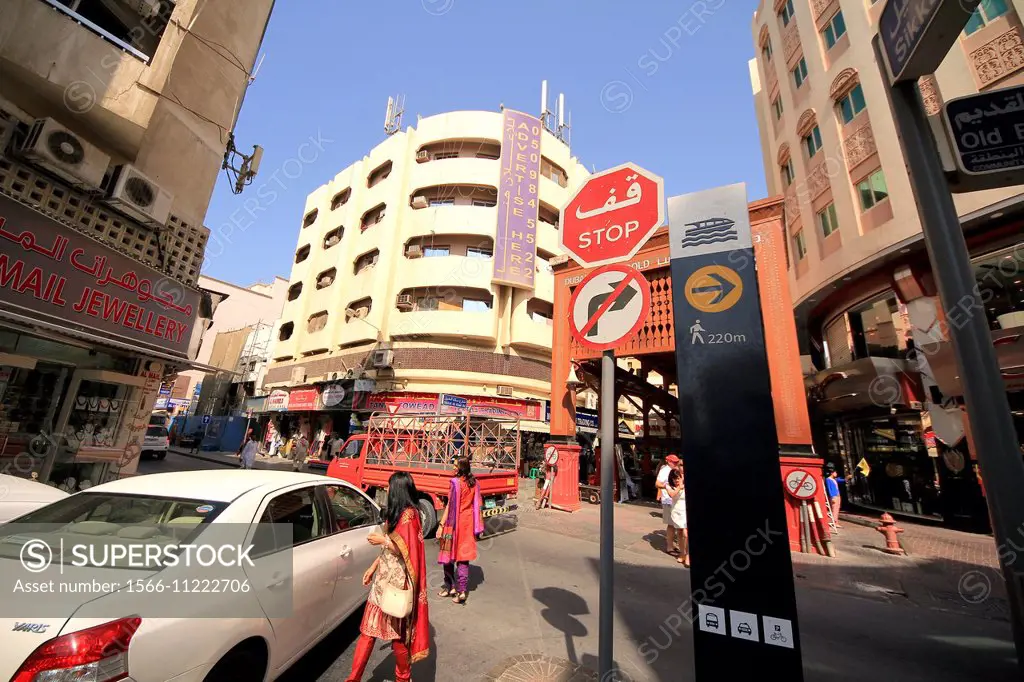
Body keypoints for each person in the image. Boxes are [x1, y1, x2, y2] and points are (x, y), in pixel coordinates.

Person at [346, 472, 430, 681]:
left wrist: (382, 540)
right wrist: (373, 567)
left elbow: (407, 549)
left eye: (390, 486)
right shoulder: (397, 512)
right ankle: (353, 678)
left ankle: (403, 677)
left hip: (396, 584)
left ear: (399, 490)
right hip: (382, 580)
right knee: (367, 631)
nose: (387, 489)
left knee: (397, 638)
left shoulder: (410, 515)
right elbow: (389, 549)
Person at [437, 457, 484, 605]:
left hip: (453, 523)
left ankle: (449, 586)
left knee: (448, 556)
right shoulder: (474, 483)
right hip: (467, 523)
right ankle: (461, 591)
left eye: (455, 465)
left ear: (461, 468)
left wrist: (441, 525)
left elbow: (450, 505)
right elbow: (478, 505)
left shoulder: (455, 483)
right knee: (463, 558)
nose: (453, 466)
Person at [656, 454, 682, 555]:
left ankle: (674, 545)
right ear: (668, 461)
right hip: (668, 499)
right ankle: (670, 546)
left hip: (676, 499)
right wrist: (668, 486)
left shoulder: (675, 470)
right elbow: (657, 483)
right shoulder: (664, 470)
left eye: (676, 462)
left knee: (677, 524)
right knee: (671, 524)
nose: (675, 463)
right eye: (673, 462)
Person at [666, 467, 689, 567]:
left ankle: (688, 556)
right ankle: (682, 554)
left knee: (686, 533)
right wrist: (680, 487)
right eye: (674, 478)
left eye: (678, 478)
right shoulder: (669, 486)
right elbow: (672, 494)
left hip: (685, 512)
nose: (676, 480)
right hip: (676, 512)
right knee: (679, 533)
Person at [825, 463, 845, 530]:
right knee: (834, 509)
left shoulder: (834, 479)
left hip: (837, 495)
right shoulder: (828, 479)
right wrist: (832, 496)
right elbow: (829, 489)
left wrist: (847, 478)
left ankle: (836, 522)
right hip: (834, 496)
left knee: (837, 508)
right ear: (832, 473)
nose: (836, 474)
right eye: (835, 472)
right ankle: (834, 522)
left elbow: (842, 480)